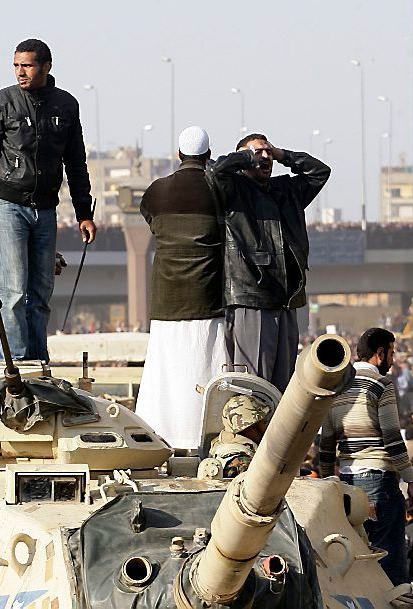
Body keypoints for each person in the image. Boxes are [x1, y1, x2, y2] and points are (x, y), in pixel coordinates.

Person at [0, 38, 96, 362]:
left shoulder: (66, 105)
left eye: (27, 65)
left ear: (46, 66)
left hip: (46, 209)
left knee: (40, 294)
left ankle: (39, 362)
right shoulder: (2, 102)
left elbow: (76, 162)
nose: (20, 73)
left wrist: (84, 212)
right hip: (8, 206)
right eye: (16, 66)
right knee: (13, 293)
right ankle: (17, 364)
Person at [210, 133, 330, 392]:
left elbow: (319, 172)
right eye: (257, 153)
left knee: (282, 383)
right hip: (250, 294)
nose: (264, 157)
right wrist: (246, 157)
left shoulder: (285, 191)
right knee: (253, 382)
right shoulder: (234, 189)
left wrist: (284, 155)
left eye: (268, 153)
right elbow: (216, 171)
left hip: (285, 297)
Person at [137, 126, 227, 449]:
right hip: (207, 297)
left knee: (166, 372)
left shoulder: (156, 191)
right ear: (207, 155)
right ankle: (206, 438)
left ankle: (162, 436)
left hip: (166, 298)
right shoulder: (217, 188)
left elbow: (149, 218)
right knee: (207, 368)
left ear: (178, 155)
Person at [319, 328, 413, 585]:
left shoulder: (337, 387)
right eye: (392, 353)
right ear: (380, 353)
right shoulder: (381, 385)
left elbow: (326, 444)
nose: (393, 360)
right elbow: (392, 436)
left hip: (347, 483)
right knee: (387, 557)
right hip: (378, 482)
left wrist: (330, 481)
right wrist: (411, 479)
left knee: (356, 553)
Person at [197, 396, 271, 480]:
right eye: (264, 423)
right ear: (249, 428)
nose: (267, 427)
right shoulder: (240, 461)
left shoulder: (223, 443)